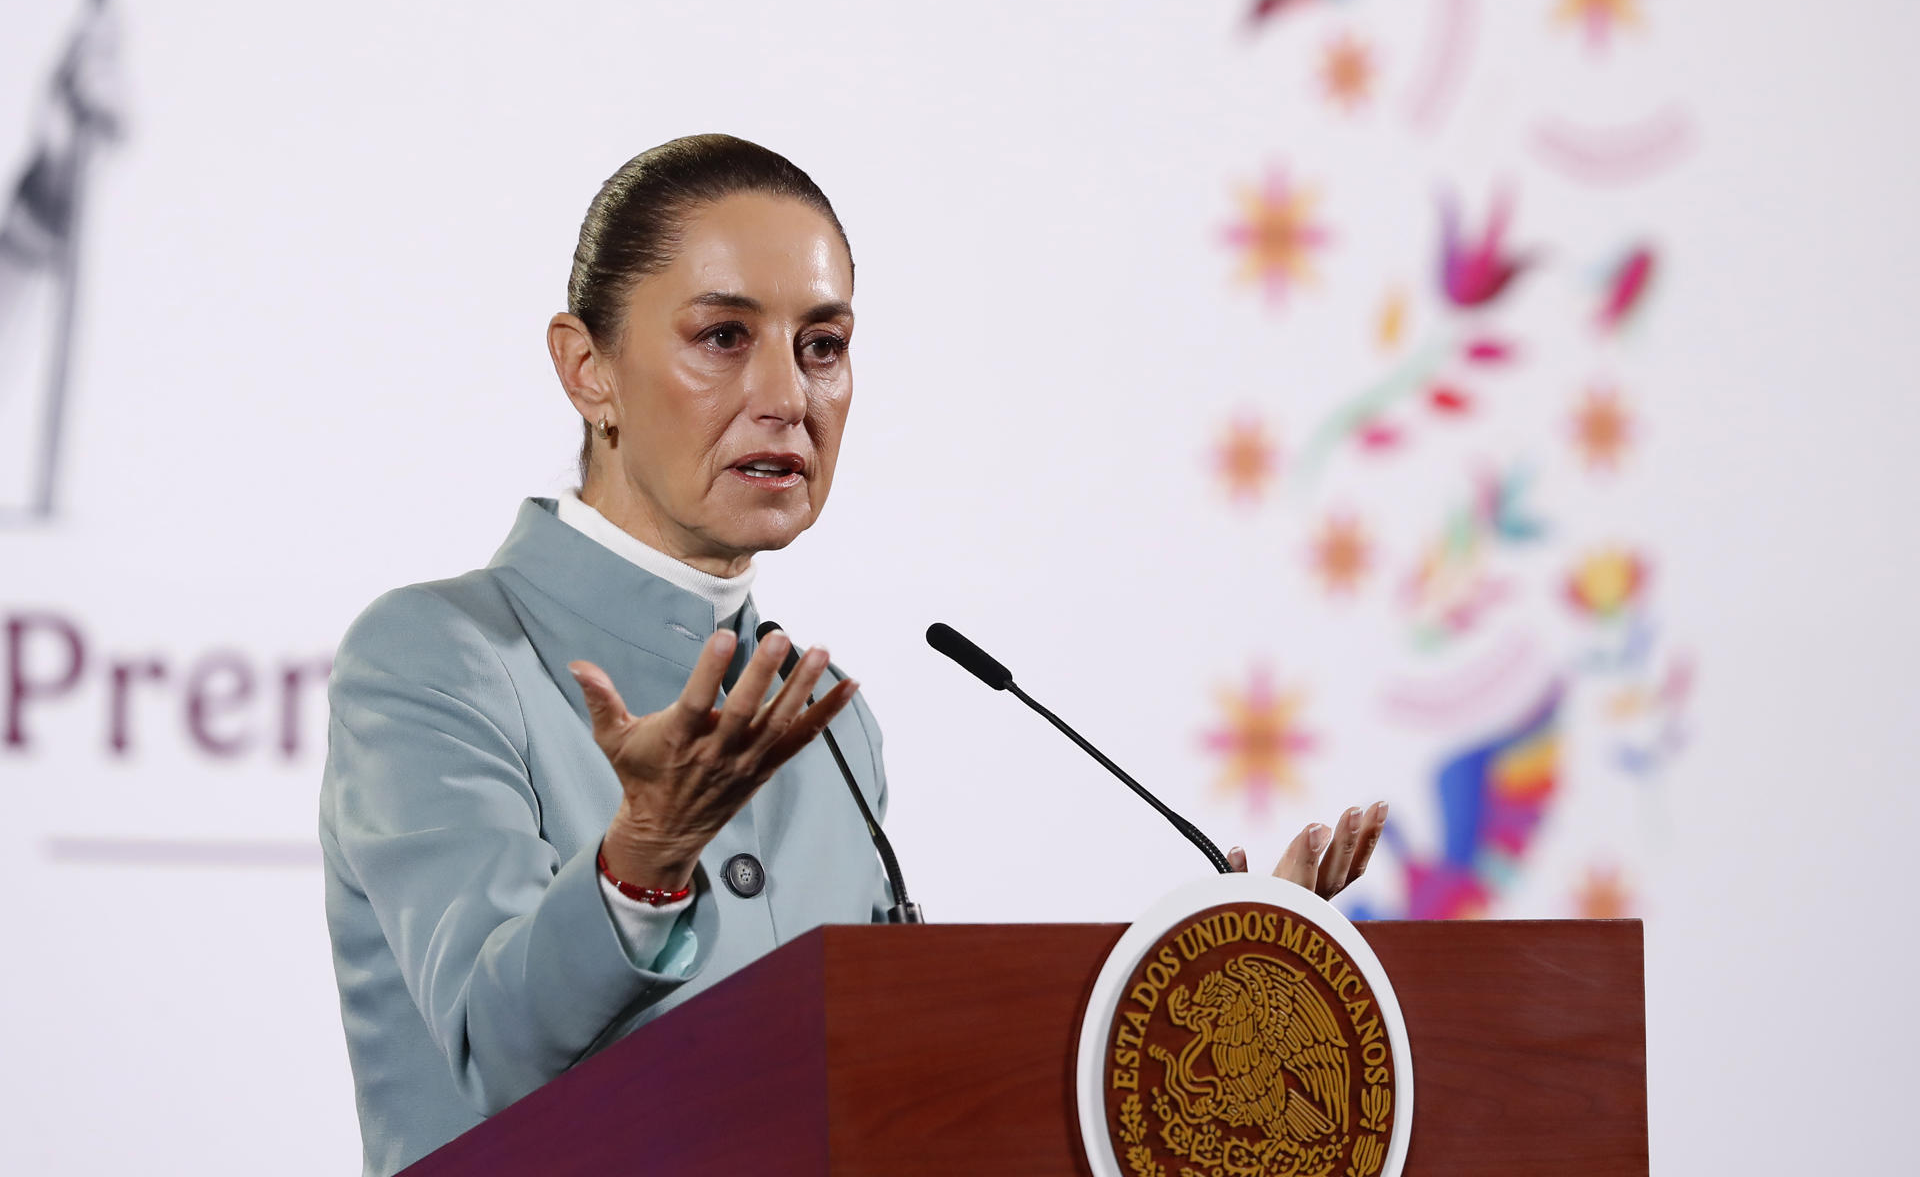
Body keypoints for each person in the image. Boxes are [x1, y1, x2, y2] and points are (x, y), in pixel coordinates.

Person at [319, 134, 1387, 1176]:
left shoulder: (821, 712)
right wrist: (641, 859)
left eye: (822, 346)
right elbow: (492, 1045)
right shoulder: (437, 656)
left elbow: (910, 1073)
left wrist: (1221, 973)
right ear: (587, 368)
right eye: (725, 336)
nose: (788, 395)